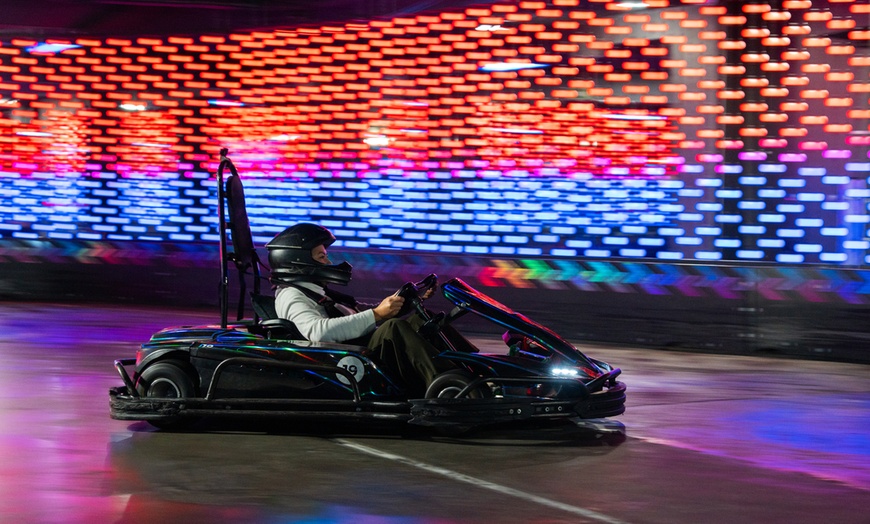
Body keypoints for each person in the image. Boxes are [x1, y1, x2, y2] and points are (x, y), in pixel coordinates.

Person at [266, 223, 452, 397]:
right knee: (393, 328)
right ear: (299, 262)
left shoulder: (314, 292)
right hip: (343, 358)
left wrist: (403, 302)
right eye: (322, 257)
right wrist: (377, 314)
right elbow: (317, 332)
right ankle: (447, 386)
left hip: (357, 349)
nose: (328, 262)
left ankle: (461, 369)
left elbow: (356, 313)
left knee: (421, 320)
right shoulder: (292, 295)